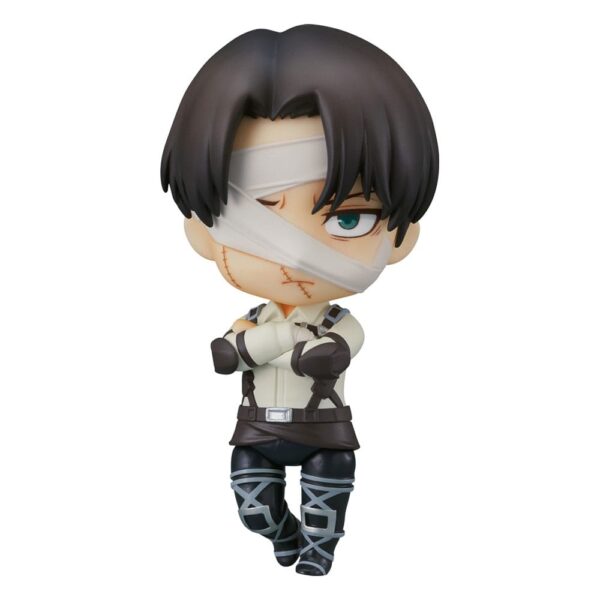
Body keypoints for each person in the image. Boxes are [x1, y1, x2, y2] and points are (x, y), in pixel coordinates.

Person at [161, 24, 439, 576]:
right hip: (258, 428)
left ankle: (318, 548)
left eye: (348, 219)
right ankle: (283, 534)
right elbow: (225, 356)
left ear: (402, 237)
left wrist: (267, 345)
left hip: (322, 433)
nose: (294, 256)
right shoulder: (252, 317)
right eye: (254, 218)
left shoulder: (338, 321)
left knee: (324, 516)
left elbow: (326, 357)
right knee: (254, 511)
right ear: (202, 233)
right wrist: (274, 340)